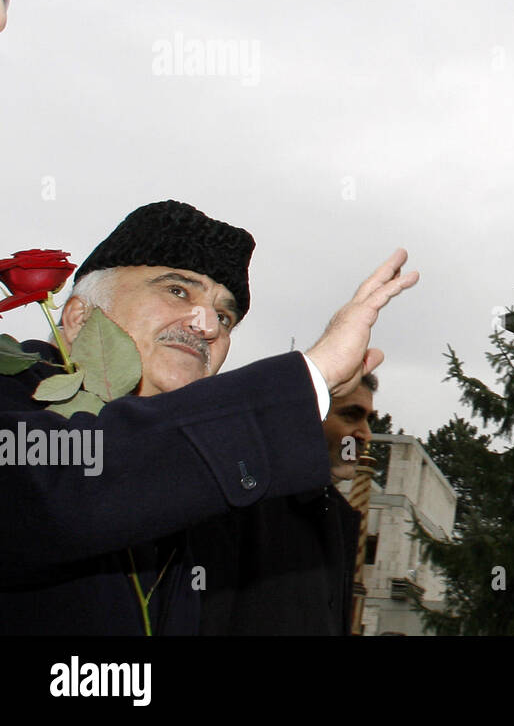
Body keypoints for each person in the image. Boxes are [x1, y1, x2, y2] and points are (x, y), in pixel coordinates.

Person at [0, 198, 418, 634]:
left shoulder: (227, 499)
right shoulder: (11, 397)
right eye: (177, 290)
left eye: (225, 315)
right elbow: (62, 490)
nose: (208, 326)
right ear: (78, 315)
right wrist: (310, 376)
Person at [189, 374, 379, 635]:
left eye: (369, 420)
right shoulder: (241, 503)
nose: (365, 434)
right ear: (304, 418)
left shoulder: (336, 516)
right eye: (351, 415)